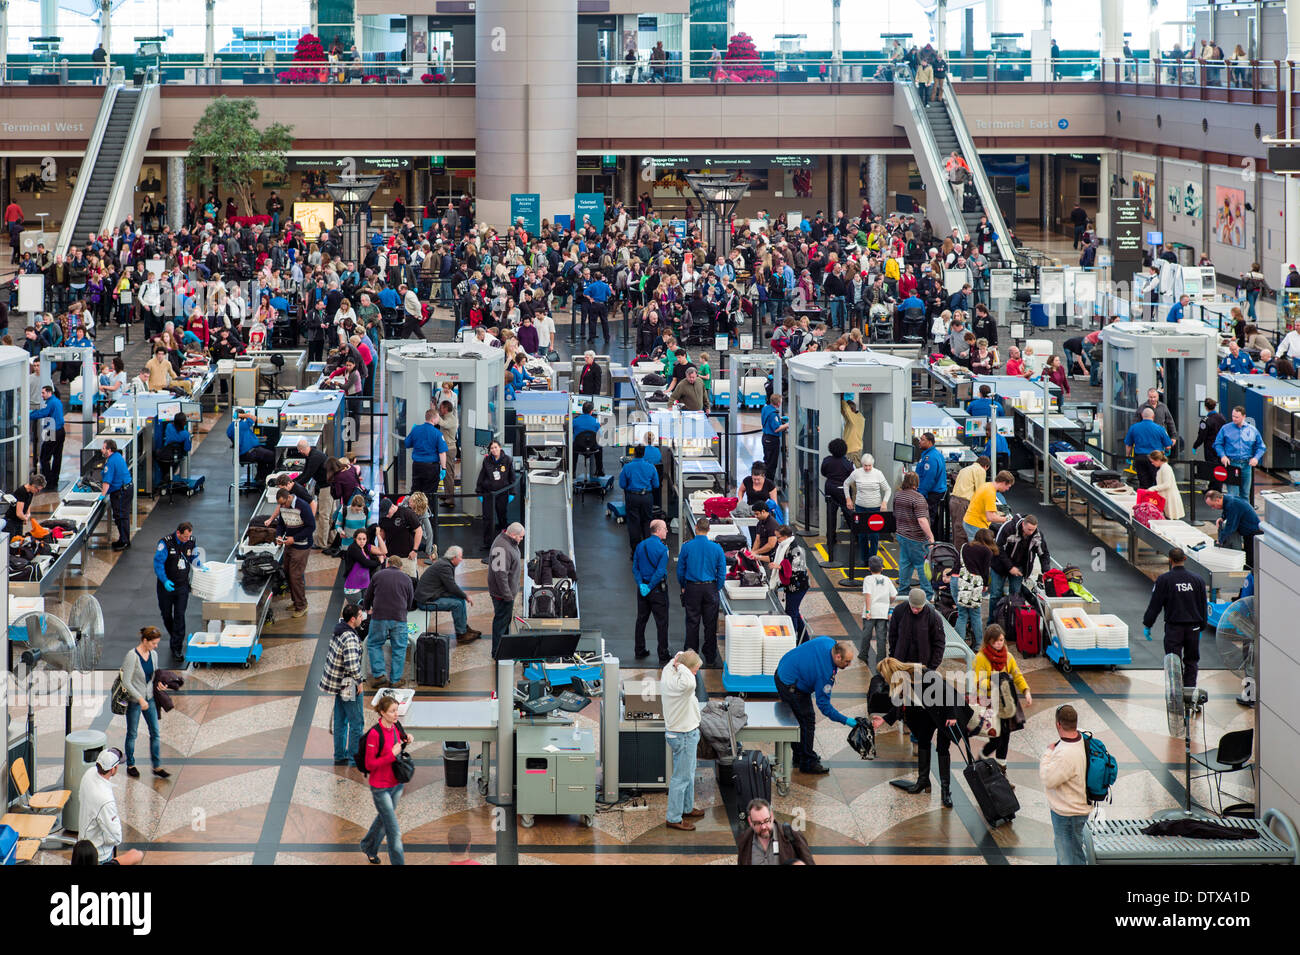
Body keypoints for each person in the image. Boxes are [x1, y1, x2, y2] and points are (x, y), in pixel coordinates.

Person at [774, 636, 858, 775]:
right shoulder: (825, 674)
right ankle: (808, 762)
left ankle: (800, 755)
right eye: (847, 662)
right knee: (807, 721)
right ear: (837, 656)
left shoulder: (829, 642)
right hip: (790, 685)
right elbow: (824, 706)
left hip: (784, 670)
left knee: (798, 719)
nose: (849, 665)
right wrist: (846, 721)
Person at [1142, 547, 1208, 688]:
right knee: (1191, 661)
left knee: (1173, 661)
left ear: (1170, 560)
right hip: (1193, 627)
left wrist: (1148, 624)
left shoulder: (1164, 580)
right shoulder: (1198, 580)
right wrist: (1202, 626)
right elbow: (1203, 604)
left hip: (1174, 628)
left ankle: (1175, 691)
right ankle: (1190, 691)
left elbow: (1155, 605)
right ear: (1185, 559)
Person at [974, 624, 1032, 778]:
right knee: (996, 738)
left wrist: (1026, 691)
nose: (1000, 643)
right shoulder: (981, 658)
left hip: (1007, 703)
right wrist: (995, 683)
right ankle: (981, 759)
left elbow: (1017, 675)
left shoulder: (1008, 657)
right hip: (991, 702)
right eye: (996, 641)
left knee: (1005, 737)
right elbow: (978, 681)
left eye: (1001, 640)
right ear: (989, 642)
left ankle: (1001, 771)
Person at [360, 693, 411, 865]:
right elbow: (369, 764)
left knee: (383, 820)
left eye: (397, 710)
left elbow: (399, 744)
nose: (396, 714)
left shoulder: (396, 726)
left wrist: (407, 740)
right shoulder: (374, 734)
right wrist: (391, 755)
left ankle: (368, 845)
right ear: (382, 712)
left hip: (396, 785)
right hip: (380, 788)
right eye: (392, 711)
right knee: (394, 831)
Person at [1039, 704, 1091, 865]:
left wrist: (1048, 753)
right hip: (1080, 806)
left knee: (1069, 857)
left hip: (1068, 812)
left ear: (1058, 724)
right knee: (1069, 852)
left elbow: (1048, 779)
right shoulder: (1083, 739)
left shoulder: (1065, 753)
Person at [662, 650, 705, 832]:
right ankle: (673, 817)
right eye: (695, 670)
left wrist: (677, 660)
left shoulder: (668, 674)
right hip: (684, 735)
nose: (696, 673)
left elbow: (672, 664)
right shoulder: (684, 686)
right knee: (681, 778)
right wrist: (683, 666)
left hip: (680, 733)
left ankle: (686, 808)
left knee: (688, 773)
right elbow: (690, 682)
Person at [78, 748, 143, 865]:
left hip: (83, 845)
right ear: (113, 769)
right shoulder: (105, 800)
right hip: (100, 855)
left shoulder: (88, 774)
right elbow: (115, 837)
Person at [321, 603, 367, 765]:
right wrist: (359, 682)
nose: (363, 618)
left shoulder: (338, 630)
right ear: (353, 619)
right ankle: (355, 758)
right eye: (360, 616)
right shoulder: (350, 638)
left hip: (338, 682)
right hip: (349, 684)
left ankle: (340, 755)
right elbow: (352, 665)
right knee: (357, 723)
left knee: (340, 720)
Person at [677, 518, 727, 666]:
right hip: (710, 588)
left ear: (696, 528)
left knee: (692, 623)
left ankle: (690, 657)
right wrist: (716, 587)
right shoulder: (717, 548)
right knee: (710, 624)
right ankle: (710, 657)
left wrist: (684, 585)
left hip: (692, 588)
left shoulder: (687, 547)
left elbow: (680, 570)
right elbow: (722, 572)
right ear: (708, 529)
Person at [121, 626, 169, 779]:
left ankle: (157, 766)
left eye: (156, 643)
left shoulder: (153, 655)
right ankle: (131, 764)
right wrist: (140, 699)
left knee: (155, 732)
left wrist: (160, 684)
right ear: (144, 640)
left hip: (150, 698)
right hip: (136, 700)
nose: (156, 646)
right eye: (153, 643)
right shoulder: (132, 656)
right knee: (132, 733)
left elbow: (154, 675)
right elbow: (126, 682)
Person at [364, 557, 416, 688]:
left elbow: (368, 595)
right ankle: (395, 679)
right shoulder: (406, 578)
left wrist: (367, 607)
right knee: (399, 648)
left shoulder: (378, 575)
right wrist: (405, 611)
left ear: (387, 564)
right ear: (401, 567)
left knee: (374, 643)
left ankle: (379, 675)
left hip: (379, 616)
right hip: (399, 617)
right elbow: (410, 601)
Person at [154, 521, 202, 660]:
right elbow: (158, 563)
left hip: (182, 586)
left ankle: (177, 647)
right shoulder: (165, 543)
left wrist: (199, 565)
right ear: (178, 533)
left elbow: (193, 556)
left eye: (189, 536)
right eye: (184, 537)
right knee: (166, 614)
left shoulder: (191, 541)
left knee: (180, 615)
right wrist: (164, 580)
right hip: (166, 586)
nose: (187, 539)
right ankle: (175, 635)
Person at [414, 545, 481, 643]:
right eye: (460, 557)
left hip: (431, 595)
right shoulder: (444, 566)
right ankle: (461, 635)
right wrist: (466, 596)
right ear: (454, 558)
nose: (461, 560)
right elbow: (452, 586)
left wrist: (462, 596)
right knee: (457, 604)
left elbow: (450, 587)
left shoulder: (445, 563)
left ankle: (464, 628)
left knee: (460, 599)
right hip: (425, 601)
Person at [268, 487, 315, 617]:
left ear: (289, 497)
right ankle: (296, 602)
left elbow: (311, 526)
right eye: (280, 504)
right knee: (288, 573)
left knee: (295, 576)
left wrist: (294, 539)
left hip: (302, 545)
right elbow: (281, 524)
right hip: (289, 544)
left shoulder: (302, 506)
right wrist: (279, 535)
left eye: (283, 503)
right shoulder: (284, 507)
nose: (282, 506)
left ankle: (302, 606)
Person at [632, 519, 671, 662]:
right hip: (657, 590)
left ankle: (639, 649)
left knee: (641, 620)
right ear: (658, 530)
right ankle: (663, 653)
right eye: (665, 528)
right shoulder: (663, 549)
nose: (667, 531)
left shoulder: (640, 546)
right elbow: (660, 571)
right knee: (662, 622)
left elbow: (635, 568)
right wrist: (650, 586)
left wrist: (641, 584)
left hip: (642, 590)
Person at [991, 513, 1048, 608]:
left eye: (1033, 530)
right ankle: (992, 621)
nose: (1031, 532)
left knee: (1015, 596)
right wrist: (1010, 567)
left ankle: (1013, 619)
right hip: (999, 565)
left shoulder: (1037, 535)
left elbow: (1044, 553)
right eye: (1029, 529)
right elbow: (998, 549)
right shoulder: (1008, 528)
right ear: (1023, 525)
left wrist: (1046, 571)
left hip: (1019, 567)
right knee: (995, 595)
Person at [843, 452, 891, 565]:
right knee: (862, 535)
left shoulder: (878, 474)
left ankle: (873, 559)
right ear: (862, 465)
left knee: (874, 535)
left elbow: (888, 489)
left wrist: (884, 502)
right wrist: (848, 499)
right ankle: (865, 559)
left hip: (875, 508)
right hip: (860, 507)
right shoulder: (857, 473)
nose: (868, 468)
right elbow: (846, 484)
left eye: (869, 466)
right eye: (865, 466)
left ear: (872, 465)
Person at [893, 471, 936, 598]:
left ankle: (903, 590)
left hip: (901, 535)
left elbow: (895, 514)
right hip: (916, 538)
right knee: (922, 565)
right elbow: (922, 520)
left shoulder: (898, 495)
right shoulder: (918, 498)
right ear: (916, 483)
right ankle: (927, 594)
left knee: (905, 563)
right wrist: (930, 536)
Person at [737, 798, 814, 865]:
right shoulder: (744, 841)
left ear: (772, 816)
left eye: (766, 820)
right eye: (757, 823)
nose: (763, 827)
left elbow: (808, 862)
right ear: (750, 821)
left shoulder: (791, 834)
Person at [1213, 404, 1266, 501]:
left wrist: (1256, 458)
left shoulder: (1252, 430)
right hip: (1232, 464)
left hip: (1246, 465)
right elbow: (1217, 444)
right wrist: (1223, 456)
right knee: (1233, 495)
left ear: (1244, 416)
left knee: (1245, 494)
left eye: (1237, 417)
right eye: (1233, 416)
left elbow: (1261, 447)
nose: (1234, 418)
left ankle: (1244, 515)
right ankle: (1234, 515)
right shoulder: (1225, 429)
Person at [953, 529, 996, 647]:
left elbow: (957, 563)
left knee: (962, 614)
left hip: (960, 582)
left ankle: (959, 644)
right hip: (975, 585)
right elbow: (985, 571)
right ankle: (978, 644)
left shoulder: (965, 546)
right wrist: (986, 584)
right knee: (976, 615)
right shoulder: (987, 551)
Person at [488, 522, 525, 655]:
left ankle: (504, 648)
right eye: (521, 537)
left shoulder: (508, 542)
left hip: (506, 593)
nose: (521, 539)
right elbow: (500, 575)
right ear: (513, 535)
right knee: (501, 622)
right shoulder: (501, 548)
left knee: (504, 621)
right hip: (502, 595)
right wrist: (508, 596)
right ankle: (498, 652)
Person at [618, 443, 660, 557]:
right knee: (647, 522)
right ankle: (647, 551)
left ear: (634, 453)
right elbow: (656, 484)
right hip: (647, 497)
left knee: (633, 523)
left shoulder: (627, 467)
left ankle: (635, 551)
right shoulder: (651, 467)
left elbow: (622, 484)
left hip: (632, 497)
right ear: (644, 454)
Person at [1205, 489, 1261, 570]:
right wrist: (1222, 517)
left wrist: (1220, 540)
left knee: (1250, 560)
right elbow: (1226, 511)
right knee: (1248, 556)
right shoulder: (1227, 499)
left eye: (1213, 505)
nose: (1213, 508)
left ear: (1218, 500)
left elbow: (1231, 526)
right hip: (1248, 531)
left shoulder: (1232, 504)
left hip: (1253, 532)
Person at [770, 524, 810, 635]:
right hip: (790, 586)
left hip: (798, 586)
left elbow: (798, 570)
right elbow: (773, 556)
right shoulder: (782, 546)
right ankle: (804, 638)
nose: (777, 540)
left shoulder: (795, 549)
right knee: (794, 612)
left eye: (778, 537)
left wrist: (779, 567)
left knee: (791, 613)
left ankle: (792, 637)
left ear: (785, 536)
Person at [858, 554, 897, 666]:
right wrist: (887, 602)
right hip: (883, 613)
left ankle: (863, 654)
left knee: (866, 634)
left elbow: (868, 595)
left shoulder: (868, 579)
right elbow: (894, 595)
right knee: (881, 637)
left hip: (870, 613)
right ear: (882, 568)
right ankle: (881, 659)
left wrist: (868, 611)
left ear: (869, 568)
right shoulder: (887, 579)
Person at [475, 439, 515, 550]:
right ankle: (487, 543)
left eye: (496, 447)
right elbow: (482, 476)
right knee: (487, 518)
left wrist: (512, 493)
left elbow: (512, 478)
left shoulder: (508, 460)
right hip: (488, 493)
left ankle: (507, 542)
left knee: (502, 517)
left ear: (500, 448)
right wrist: (479, 492)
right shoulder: (486, 460)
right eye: (492, 448)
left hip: (502, 493)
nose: (494, 450)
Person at [403, 407, 448, 502]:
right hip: (431, 468)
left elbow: (407, 443)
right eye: (437, 417)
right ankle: (428, 514)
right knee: (430, 493)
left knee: (416, 491)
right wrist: (443, 468)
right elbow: (442, 453)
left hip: (417, 466)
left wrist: (412, 432)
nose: (438, 419)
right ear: (433, 419)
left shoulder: (416, 429)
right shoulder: (437, 433)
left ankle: (414, 514)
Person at [1125, 407, 1173, 489]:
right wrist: (1167, 451)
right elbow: (1168, 446)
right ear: (1153, 416)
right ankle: (1155, 500)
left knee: (1143, 483)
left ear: (1142, 415)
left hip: (1140, 458)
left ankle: (1145, 500)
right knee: (1157, 483)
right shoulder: (1160, 428)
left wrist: (1128, 456)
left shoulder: (1134, 428)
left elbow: (1129, 445)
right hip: (1156, 459)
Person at [821, 437, 854, 555]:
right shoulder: (848, 463)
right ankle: (855, 535)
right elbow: (852, 477)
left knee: (831, 515)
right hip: (843, 491)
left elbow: (823, 472)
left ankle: (831, 539)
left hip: (830, 489)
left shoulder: (826, 461)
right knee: (848, 514)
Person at [962, 468, 1013, 545]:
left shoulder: (987, 485)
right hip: (976, 525)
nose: (1007, 489)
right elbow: (990, 517)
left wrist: (997, 514)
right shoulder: (990, 493)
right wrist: (1007, 519)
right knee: (978, 550)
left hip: (971, 521)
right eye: (1008, 486)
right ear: (1003, 483)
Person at [949, 455, 989, 549]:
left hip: (953, 500)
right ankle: (962, 558)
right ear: (986, 466)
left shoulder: (964, 469)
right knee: (962, 532)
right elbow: (980, 490)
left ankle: (956, 555)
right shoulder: (980, 470)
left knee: (956, 530)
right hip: (963, 502)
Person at [30, 384, 65, 489]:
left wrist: (28, 415)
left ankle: (47, 481)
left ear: (49, 393)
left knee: (44, 457)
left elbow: (43, 413)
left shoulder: (50, 403)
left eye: (43, 393)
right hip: (61, 431)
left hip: (53, 431)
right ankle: (55, 479)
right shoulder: (57, 401)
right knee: (57, 456)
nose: (42, 395)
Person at [100, 438, 133, 549]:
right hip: (126, 489)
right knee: (123, 516)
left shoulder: (111, 462)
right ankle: (124, 539)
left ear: (109, 450)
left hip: (121, 492)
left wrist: (101, 496)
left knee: (121, 516)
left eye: (103, 448)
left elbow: (107, 482)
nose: (101, 450)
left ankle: (124, 541)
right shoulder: (117, 456)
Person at [227, 410, 275, 484]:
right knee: (273, 456)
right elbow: (254, 418)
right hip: (250, 453)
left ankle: (259, 477)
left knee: (263, 455)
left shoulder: (231, 427)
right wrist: (244, 415)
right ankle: (266, 479)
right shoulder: (242, 425)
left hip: (243, 454)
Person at [916, 431, 949, 537]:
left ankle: (928, 541)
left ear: (930, 442)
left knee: (927, 518)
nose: (919, 442)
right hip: (934, 492)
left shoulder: (930, 458)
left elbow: (929, 479)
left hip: (931, 493)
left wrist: (920, 494)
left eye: (922, 440)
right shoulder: (932, 454)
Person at [1193, 397, 1228, 491]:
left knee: (1211, 468)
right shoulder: (1222, 418)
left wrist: (1195, 446)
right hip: (1221, 447)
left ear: (1205, 407)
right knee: (1219, 468)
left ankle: (1212, 489)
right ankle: (1217, 488)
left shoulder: (1205, 420)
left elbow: (1202, 436)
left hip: (1210, 448)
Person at [4, 472, 44, 536]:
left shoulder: (31, 492)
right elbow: (19, 513)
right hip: (11, 522)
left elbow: (28, 504)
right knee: (12, 543)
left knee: (19, 541)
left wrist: (27, 514)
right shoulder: (22, 492)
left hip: (19, 521)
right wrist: (25, 518)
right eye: (38, 490)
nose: (38, 492)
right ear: (33, 486)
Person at [760, 393, 789, 481]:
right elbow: (776, 429)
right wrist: (788, 424)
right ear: (778, 403)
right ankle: (769, 483)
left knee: (767, 460)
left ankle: (764, 480)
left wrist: (779, 418)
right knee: (772, 464)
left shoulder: (766, 408)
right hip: (772, 440)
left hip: (765, 437)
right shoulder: (773, 414)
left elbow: (768, 418)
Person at [1149, 450, 1184, 519]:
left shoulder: (1165, 468)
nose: (1152, 463)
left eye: (1153, 461)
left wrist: (1152, 488)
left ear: (1158, 460)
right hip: (1167, 497)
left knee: (1170, 520)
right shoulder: (1164, 467)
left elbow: (1167, 484)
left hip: (1169, 498)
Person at [840, 397, 866, 465]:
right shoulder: (852, 419)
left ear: (852, 409)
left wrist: (842, 399)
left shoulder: (858, 418)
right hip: (850, 451)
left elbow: (846, 410)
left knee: (855, 473)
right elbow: (845, 412)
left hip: (854, 452)